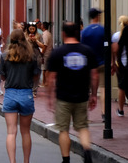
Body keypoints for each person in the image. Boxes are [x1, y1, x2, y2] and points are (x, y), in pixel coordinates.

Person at [47, 22, 98, 163]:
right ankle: (87, 150)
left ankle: (66, 159)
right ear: (77, 33)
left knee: (63, 129)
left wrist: (49, 97)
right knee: (82, 127)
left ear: (63, 33)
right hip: (82, 96)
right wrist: (93, 94)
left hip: (63, 97)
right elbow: (94, 75)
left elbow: (51, 78)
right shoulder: (87, 51)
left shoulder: (58, 52)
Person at [0, 29, 40, 163]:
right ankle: (26, 161)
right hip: (26, 94)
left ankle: (12, 161)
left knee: (11, 132)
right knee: (26, 132)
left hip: (10, 93)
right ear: (24, 39)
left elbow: (3, 77)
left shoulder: (5, 56)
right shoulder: (31, 56)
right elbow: (35, 75)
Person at [80, 8, 106, 116]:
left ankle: (85, 114)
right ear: (97, 16)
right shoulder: (103, 29)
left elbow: (82, 48)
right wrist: (113, 61)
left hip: (89, 64)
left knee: (87, 88)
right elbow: (112, 47)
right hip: (102, 62)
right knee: (103, 88)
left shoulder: (85, 31)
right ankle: (104, 112)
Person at [111, 15, 128, 118]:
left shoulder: (116, 36)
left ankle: (121, 109)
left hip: (121, 64)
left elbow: (114, 51)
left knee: (121, 87)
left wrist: (113, 63)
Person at [25, 22, 44, 96]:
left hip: (37, 55)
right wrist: (28, 39)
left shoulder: (39, 35)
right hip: (28, 55)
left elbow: (43, 46)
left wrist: (36, 40)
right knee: (28, 72)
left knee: (37, 72)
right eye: (30, 29)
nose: (32, 30)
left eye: (33, 29)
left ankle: (34, 90)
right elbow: (22, 44)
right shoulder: (25, 35)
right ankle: (28, 88)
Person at [40, 21, 53, 87]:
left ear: (43, 26)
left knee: (44, 68)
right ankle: (45, 82)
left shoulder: (45, 34)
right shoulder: (49, 34)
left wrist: (42, 52)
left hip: (46, 54)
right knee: (46, 68)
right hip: (49, 52)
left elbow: (45, 45)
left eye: (41, 25)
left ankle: (45, 83)